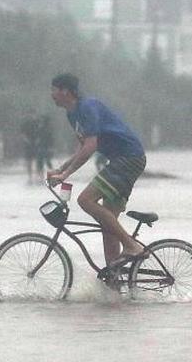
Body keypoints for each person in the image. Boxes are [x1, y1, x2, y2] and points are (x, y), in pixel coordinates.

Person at [45, 73, 147, 270]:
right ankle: (114, 284)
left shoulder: (87, 107)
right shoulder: (72, 114)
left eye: (54, 90)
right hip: (122, 160)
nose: (52, 94)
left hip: (128, 159)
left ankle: (131, 245)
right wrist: (61, 168)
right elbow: (83, 146)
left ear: (65, 91)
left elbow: (91, 147)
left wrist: (66, 175)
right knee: (108, 225)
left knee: (85, 200)